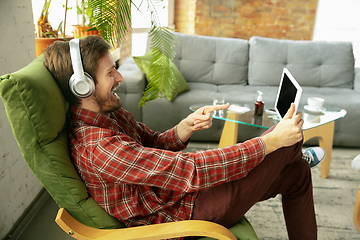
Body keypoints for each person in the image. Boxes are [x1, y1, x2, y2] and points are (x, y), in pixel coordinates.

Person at [44, 35, 325, 240]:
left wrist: (185, 126)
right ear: (83, 87)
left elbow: (152, 143)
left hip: (177, 194)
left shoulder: (109, 116)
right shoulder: (100, 148)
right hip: (181, 212)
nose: (119, 77)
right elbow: (190, 170)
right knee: (285, 141)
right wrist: (270, 144)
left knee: (297, 173)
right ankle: (292, 152)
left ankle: (294, 157)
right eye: (110, 72)